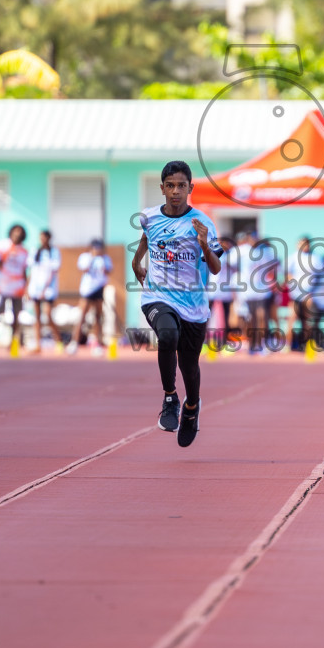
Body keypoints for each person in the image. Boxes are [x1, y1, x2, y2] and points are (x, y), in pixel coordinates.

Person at [132, 160, 221, 447]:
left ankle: (191, 408)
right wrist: (136, 262)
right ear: (162, 188)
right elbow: (146, 238)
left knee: (190, 366)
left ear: (190, 188)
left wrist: (205, 244)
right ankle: (170, 397)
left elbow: (216, 268)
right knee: (167, 335)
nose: (175, 191)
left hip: (193, 304)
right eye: (170, 186)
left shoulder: (203, 222)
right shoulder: (149, 217)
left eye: (181, 186)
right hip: (157, 296)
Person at [0, 224, 31, 351]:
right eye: (15, 231)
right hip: (2, 286)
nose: (17, 234)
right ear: (11, 232)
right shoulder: (3, 246)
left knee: (16, 316)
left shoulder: (24, 251)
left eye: (20, 232)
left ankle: (14, 343)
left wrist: (26, 288)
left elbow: (25, 271)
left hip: (18, 288)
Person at [74, 238, 113, 352]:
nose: (98, 250)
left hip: (99, 289)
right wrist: (92, 257)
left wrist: (101, 260)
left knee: (98, 316)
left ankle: (97, 341)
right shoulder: (85, 257)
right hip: (87, 290)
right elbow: (84, 268)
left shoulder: (105, 258)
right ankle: (75, 340)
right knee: (82, 315)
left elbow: (108, 271)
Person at [27, 229, 62, 352]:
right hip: (35, 289)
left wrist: (44, 289)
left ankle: (59, 341)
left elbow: (53, 272)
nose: (43, 240)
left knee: (47, 315)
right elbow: (31, 271)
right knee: (36, 317)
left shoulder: (54, 252)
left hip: (48, 290)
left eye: (45, 237)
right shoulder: (35, 251)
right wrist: (28, 288)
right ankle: (38, 344)